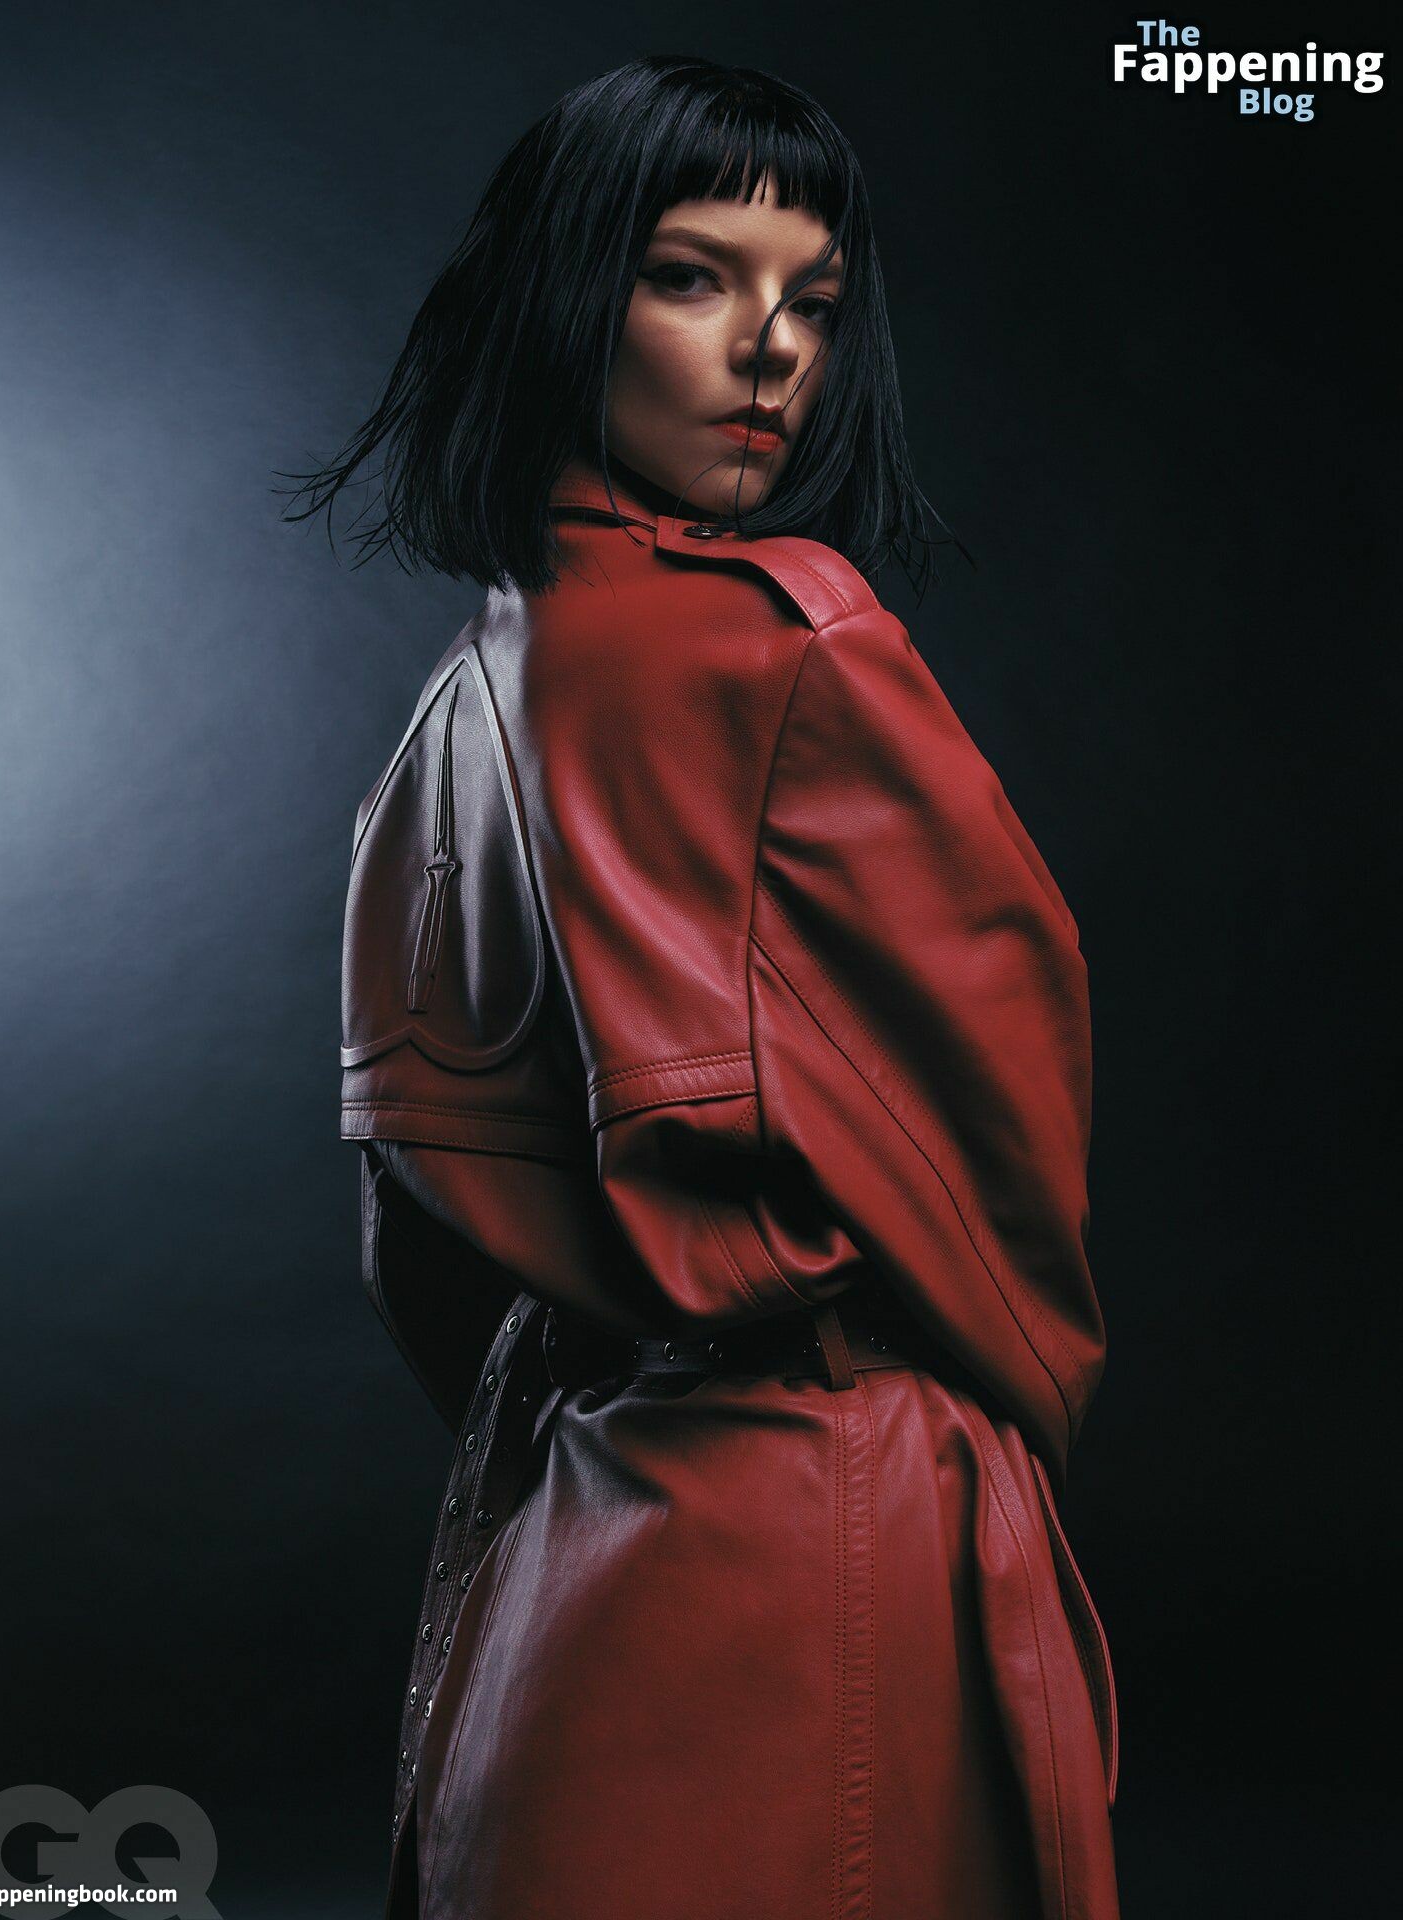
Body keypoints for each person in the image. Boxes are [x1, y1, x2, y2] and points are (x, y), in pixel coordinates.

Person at [287, 53, 1121, 1920]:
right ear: (566, 292)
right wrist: (1014, 1410)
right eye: (691, 276)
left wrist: (593, 1361)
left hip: (561, 1529)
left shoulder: (463, 695)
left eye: (811, 299)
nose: (772, 349)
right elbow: (1010, 1109)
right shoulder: (791, 648)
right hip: (822, 1508)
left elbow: (415, 1214)